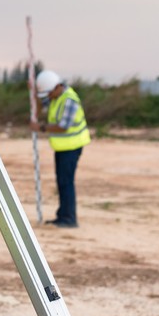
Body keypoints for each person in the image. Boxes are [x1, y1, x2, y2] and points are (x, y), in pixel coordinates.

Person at [30, 70, 90, 229]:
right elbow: (39, 106)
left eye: (48, 93)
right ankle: (63, 215)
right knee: (62, 182)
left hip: (72, 147)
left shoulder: (69, 100)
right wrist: (34, 92)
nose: (47, 97)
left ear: (57, 87)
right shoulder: (55, 97)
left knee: (66, 182)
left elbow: (63, 126)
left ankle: (69, 218)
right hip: (62, 147)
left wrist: (40, 127)